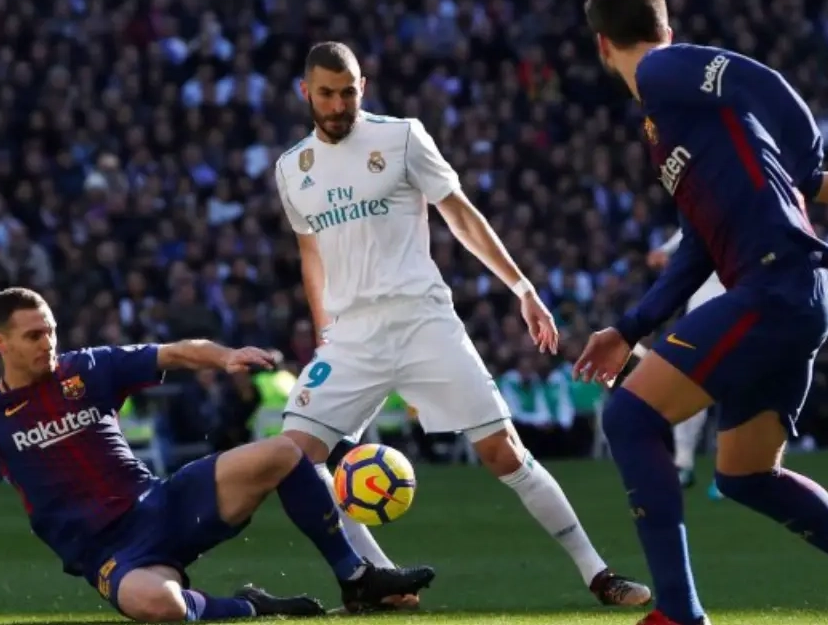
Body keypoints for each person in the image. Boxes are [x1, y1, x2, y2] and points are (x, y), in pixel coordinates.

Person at [574, 0, 828, 624]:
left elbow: (759, 79)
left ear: (602, 44)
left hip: (774, 286)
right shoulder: (674, 116)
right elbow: (697, 246)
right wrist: (629, 328)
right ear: (667, 24)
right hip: (792, 292)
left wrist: (811, 170)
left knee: (631, 417)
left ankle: (679, 614)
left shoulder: (662, 70)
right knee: (745, 474)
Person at [272, 40, 652, 609]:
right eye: (326, 94)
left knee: (504, 453)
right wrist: (324, 330)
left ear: (362, 88)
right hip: (351, 336)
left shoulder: (402, 138)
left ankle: (599, 574)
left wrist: (522, 288)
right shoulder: (291, 168)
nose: (338, 104)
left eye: (348, 92)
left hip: (423, 321)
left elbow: (461, 215)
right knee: (293, 459)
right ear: (306, 92)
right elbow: (312, 257)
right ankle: (377, 579)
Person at [0, 288, 434, 624]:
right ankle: (251, 607)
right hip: (109, 550)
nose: (47, 343)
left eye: (50, 331)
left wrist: (224, 357)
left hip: (164, 503)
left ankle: (355, 578)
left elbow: (172, 352)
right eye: (33, 336)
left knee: (284, 452)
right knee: (159, 606)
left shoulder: (87, 368)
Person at [645, 231, 725, 498]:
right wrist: (665, 251)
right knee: (688, 389)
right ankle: (683, 463)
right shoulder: (703, 212)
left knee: (736, 395)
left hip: (739, 311)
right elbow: (688, 228)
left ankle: (730, 472)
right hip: (700, 315)